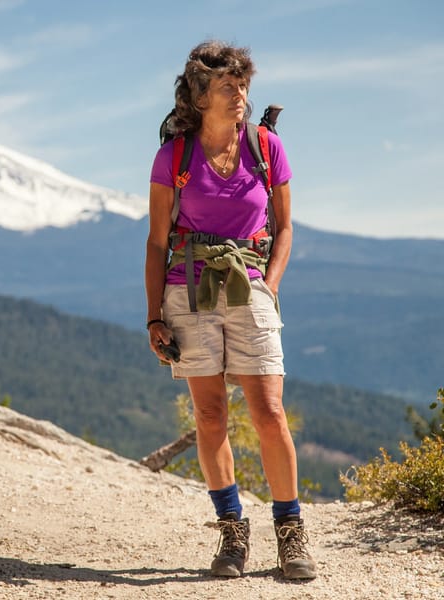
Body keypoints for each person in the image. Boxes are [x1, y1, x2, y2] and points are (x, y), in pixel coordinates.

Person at [144, 40, 317, 580]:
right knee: (211, 415)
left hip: (251, 290)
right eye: (227, 85)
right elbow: (156, 242)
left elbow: (285, 228)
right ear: (199, 96)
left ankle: (290, 535)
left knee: (269, 411)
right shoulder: (173, 156)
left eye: (243, 83)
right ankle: (232, 535)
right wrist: (154, 316)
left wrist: (269, 283)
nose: (240, 93)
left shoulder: (267, 148)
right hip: (188, 289)